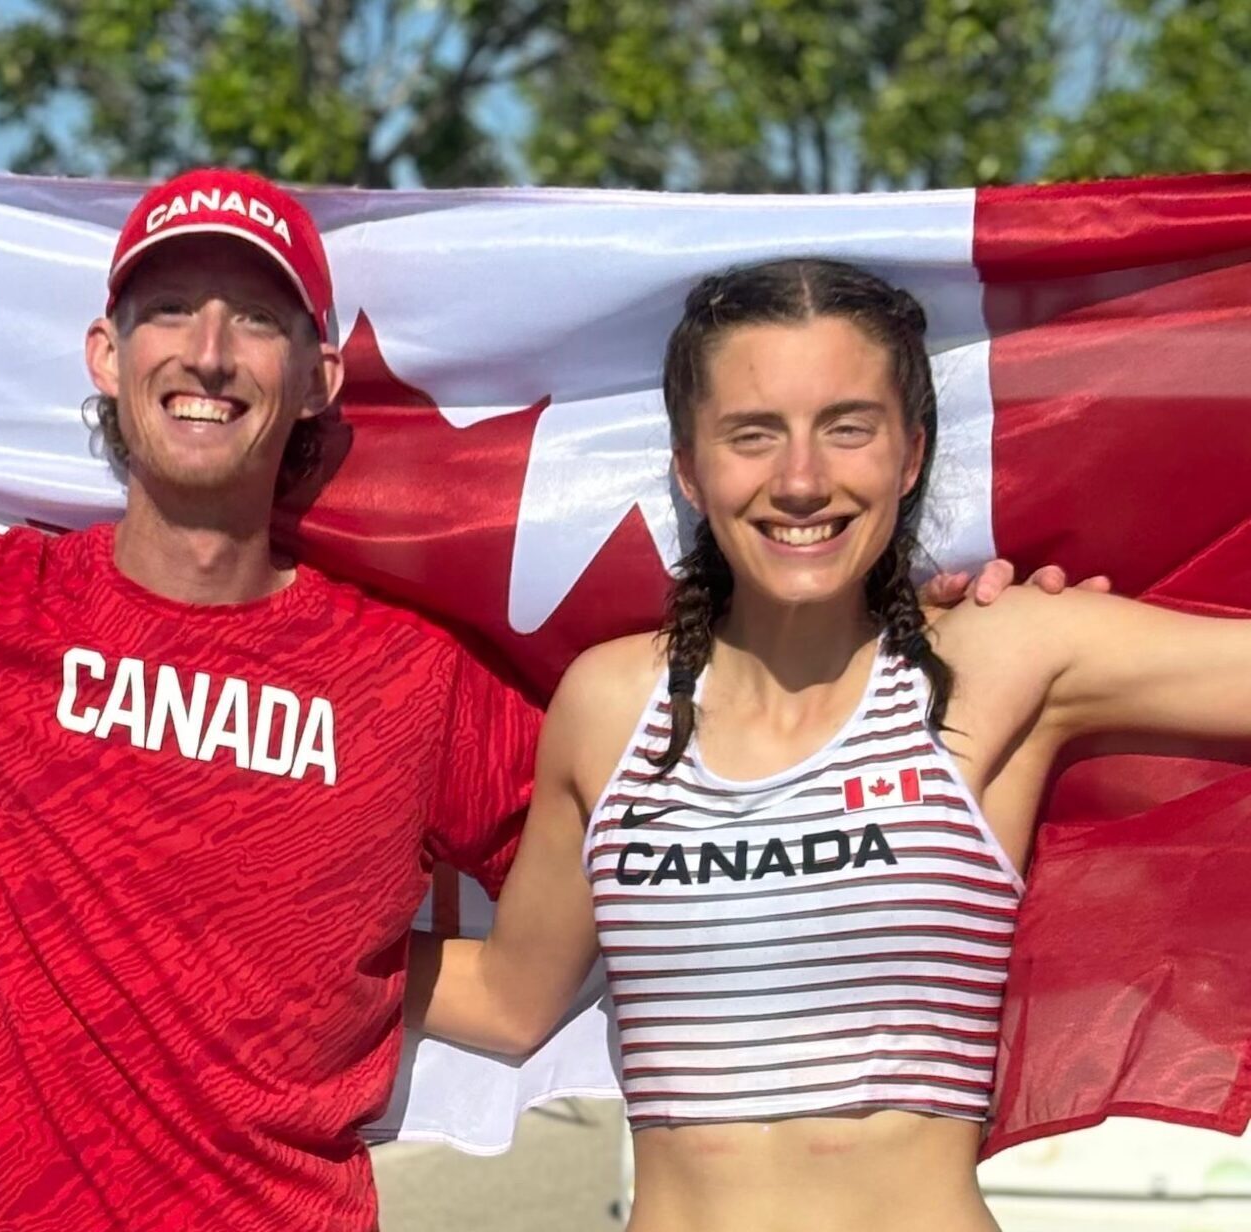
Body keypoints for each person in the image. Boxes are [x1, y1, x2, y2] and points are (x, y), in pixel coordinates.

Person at [0, 181, 1069, 1230]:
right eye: (172, 311)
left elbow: (656, 848)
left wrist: (880, 631)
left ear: (315, 376)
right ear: (107, 358)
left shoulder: (415, 682)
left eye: (256, 320)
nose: (211, 351)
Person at [406, 255, 1251, 1232]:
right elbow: (513, 997)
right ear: (689, 465)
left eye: (847, 428)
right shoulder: (608, 704)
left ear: (912, 452)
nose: (801, 480)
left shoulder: (1010, 651)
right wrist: (246, 929)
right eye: (753, 434)